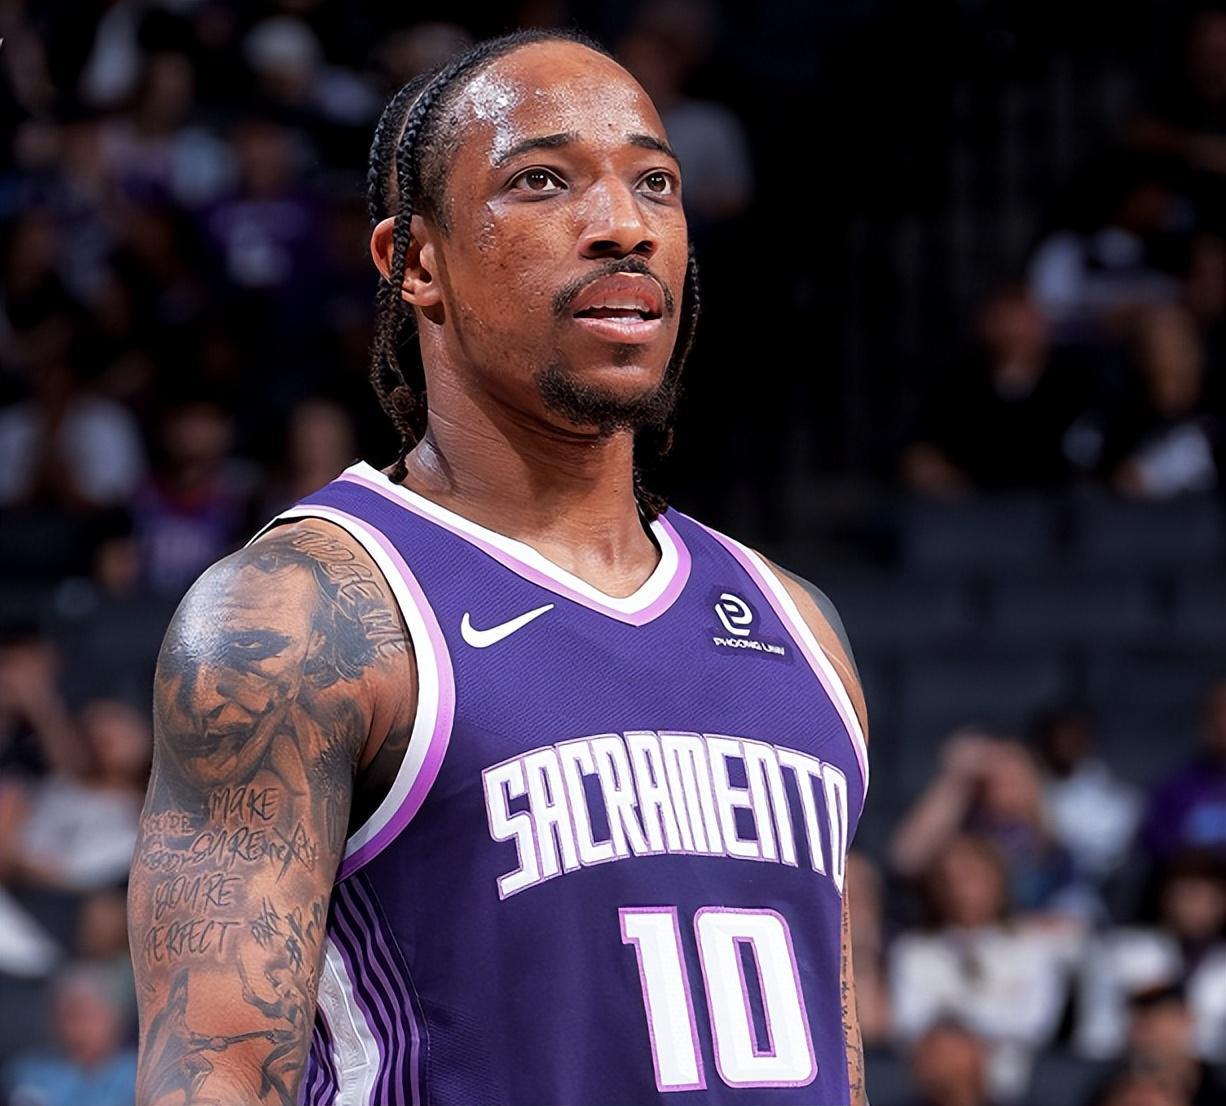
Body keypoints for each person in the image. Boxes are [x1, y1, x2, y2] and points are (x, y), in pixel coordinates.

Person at [127, 28, 871, 1106]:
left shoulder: (798, 626)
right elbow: (211, 1076)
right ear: (416, 262)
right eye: (543, 181)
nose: (624, 224)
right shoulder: (301, 615)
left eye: (655, 183)